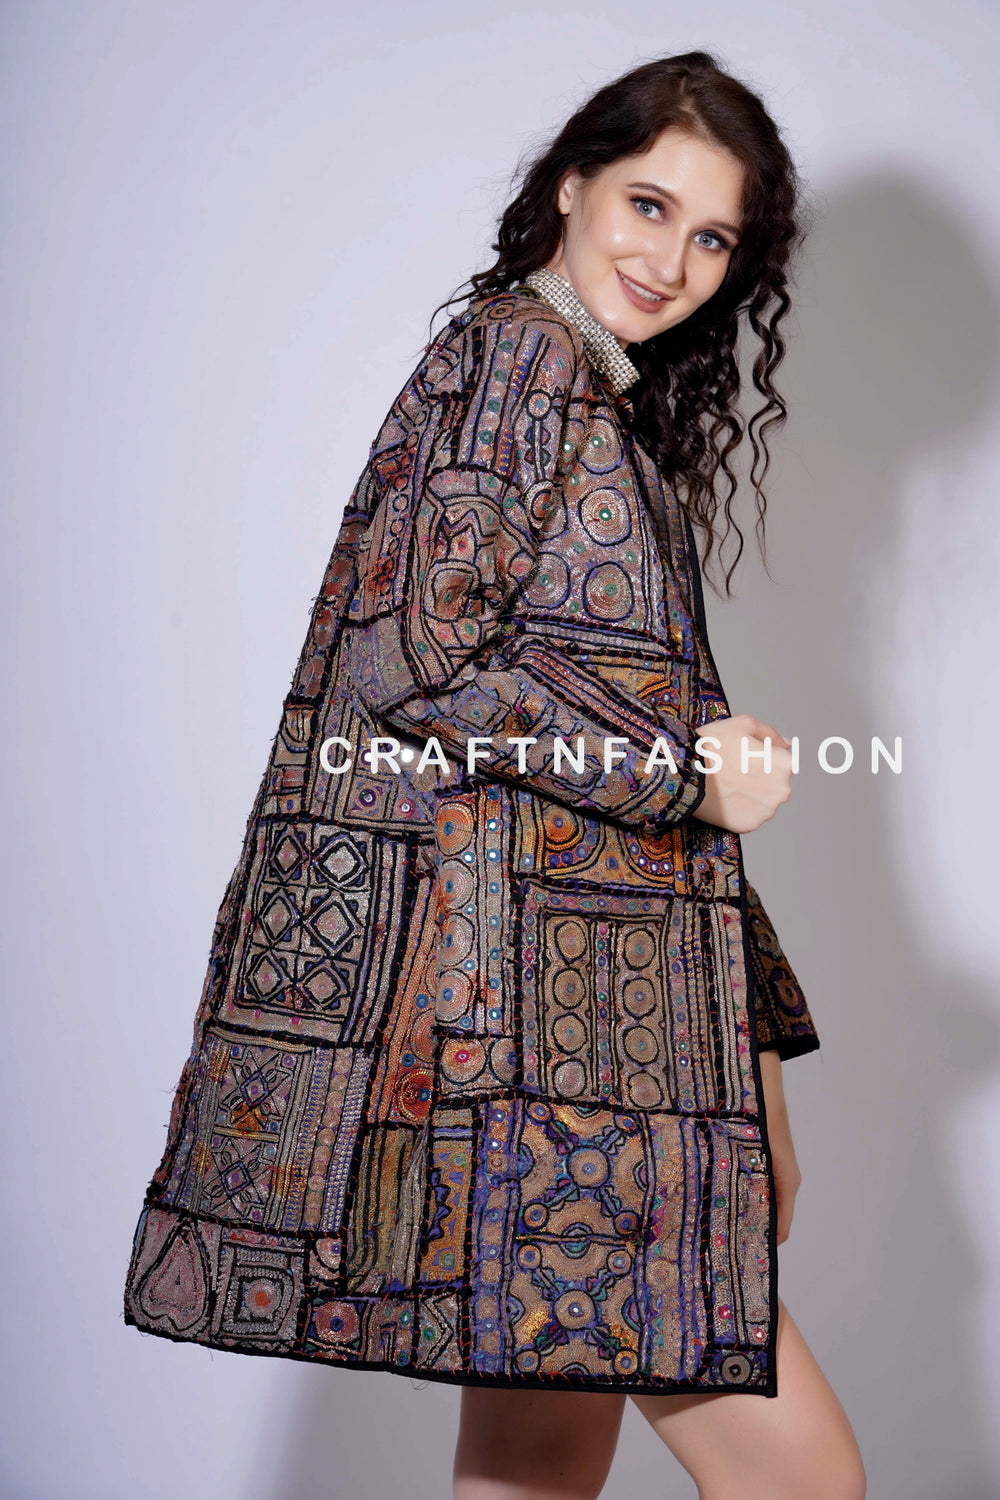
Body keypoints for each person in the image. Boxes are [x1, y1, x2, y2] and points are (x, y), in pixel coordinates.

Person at [123, 50, 866, 1500]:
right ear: (572, 187)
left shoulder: (585, 395)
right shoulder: (520, 359)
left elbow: (633, 776)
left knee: (532, 1470)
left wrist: (759, 1053)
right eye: (648, 206)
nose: (672, 261)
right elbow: (413, 665)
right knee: (800, 1479)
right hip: (544, 1048)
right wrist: (681, 769)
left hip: (586, 1032)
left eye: (713, 237)